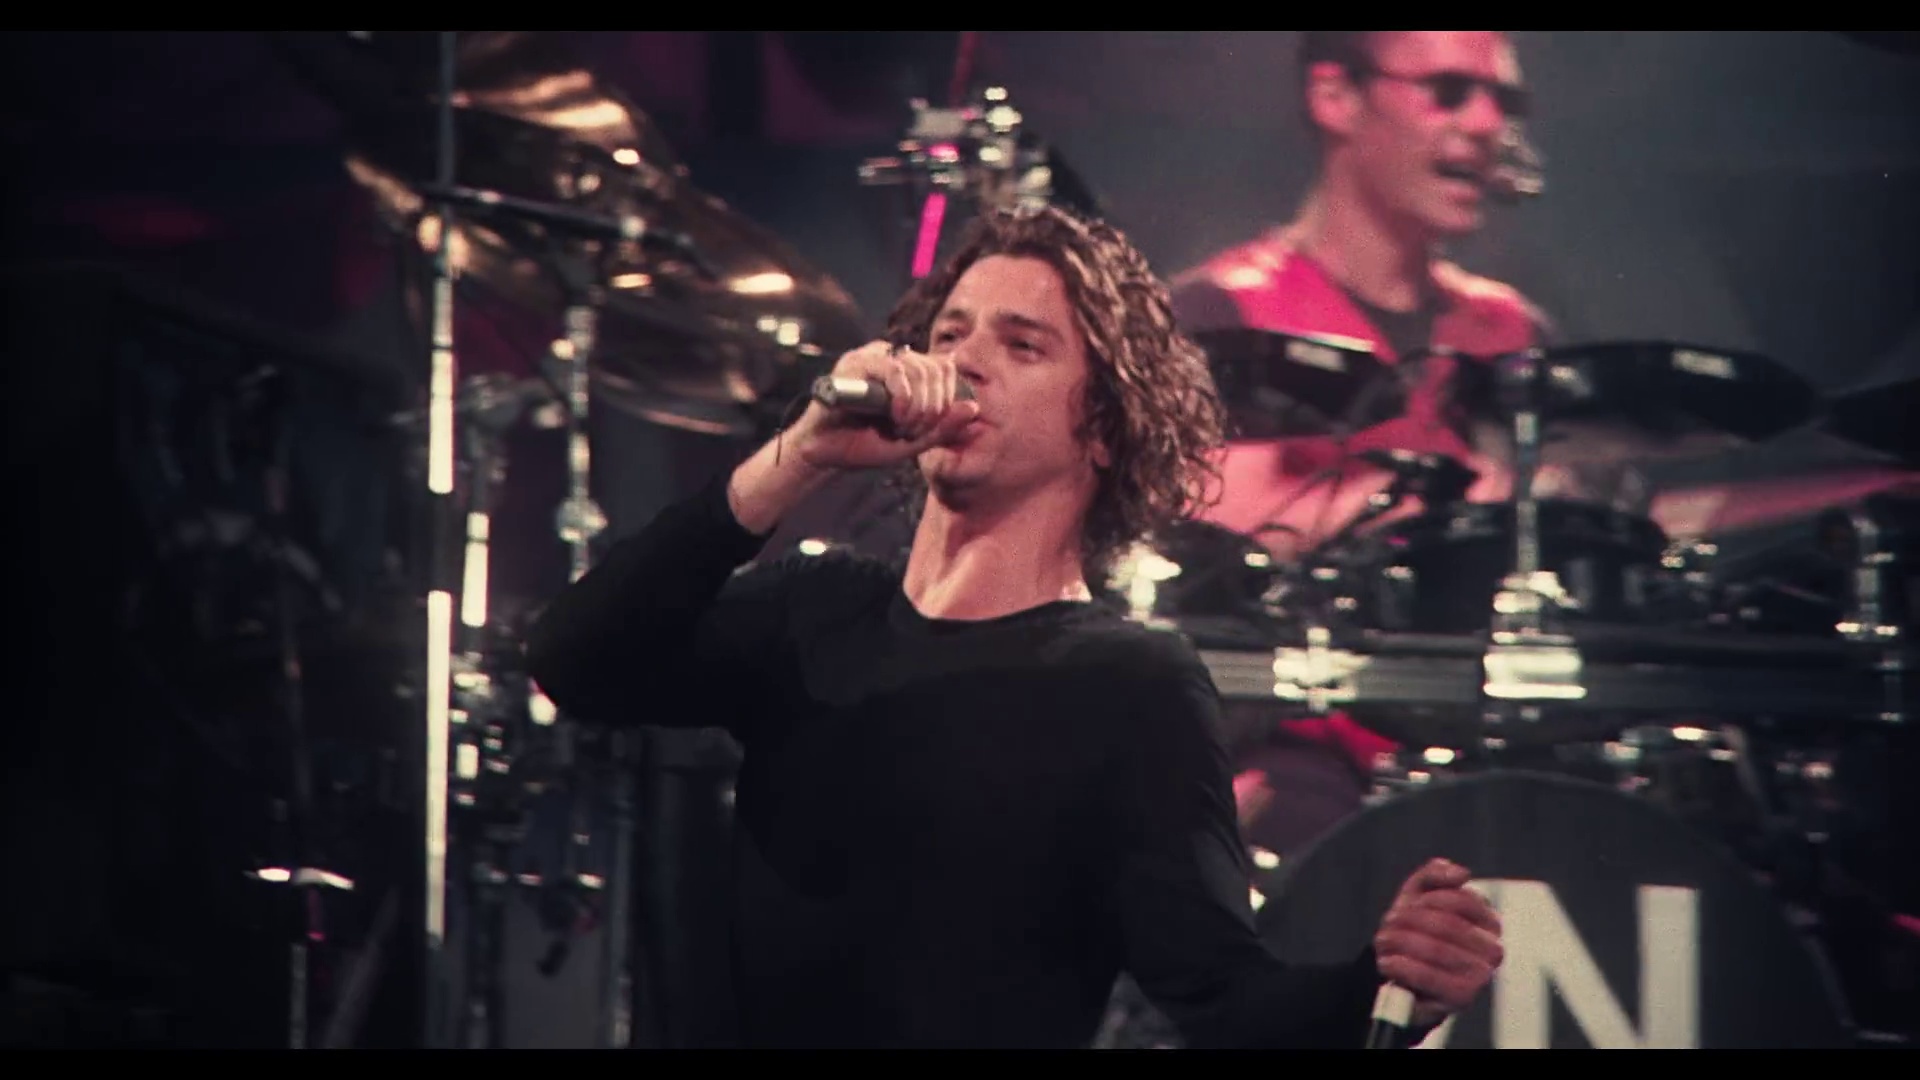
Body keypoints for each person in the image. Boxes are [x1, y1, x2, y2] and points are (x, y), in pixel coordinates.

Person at [523, 203, 1502, 1049]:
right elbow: (576, 658)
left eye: (1021, 344)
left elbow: (1225, 1000)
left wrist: (1384, 987)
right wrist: (799, 454)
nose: (963, 362)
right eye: (949, 334)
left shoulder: (1129, 686)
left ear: (1103, 427)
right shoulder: (811, 610)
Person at [1166, 30, 1557, 859]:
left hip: (1489, 738)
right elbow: (1200, 517)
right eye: (1448, 92)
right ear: (1335, 97)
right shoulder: (1217, 312)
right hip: (1298, 747)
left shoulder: (1512, 331)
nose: (1487, 123)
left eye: (1504, 100)